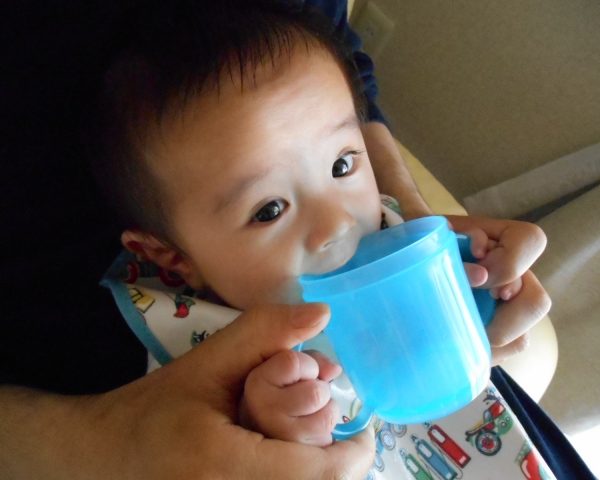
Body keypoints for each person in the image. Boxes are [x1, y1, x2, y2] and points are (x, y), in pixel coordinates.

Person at [0, 0, 592, 478]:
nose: (337, 224)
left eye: (342, 165)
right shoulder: (190, 343)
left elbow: (348, 75)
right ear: (172, 258)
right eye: (270, 209)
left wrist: (477, 273)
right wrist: (272, 417)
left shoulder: (380, 226)